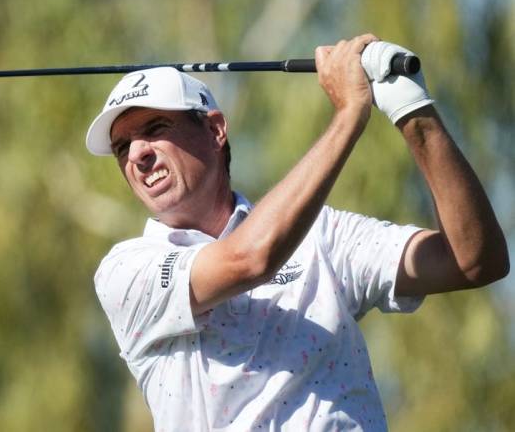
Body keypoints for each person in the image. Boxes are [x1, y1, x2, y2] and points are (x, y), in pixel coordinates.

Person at [85, 34, 509, 431]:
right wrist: (349, 115)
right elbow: (249, 260)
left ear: (216, 130)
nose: (138, 154)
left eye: (156, 129)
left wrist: (413, 112)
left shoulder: (322, 235)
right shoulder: (127, 271)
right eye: (123, 147)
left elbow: (474, 260)